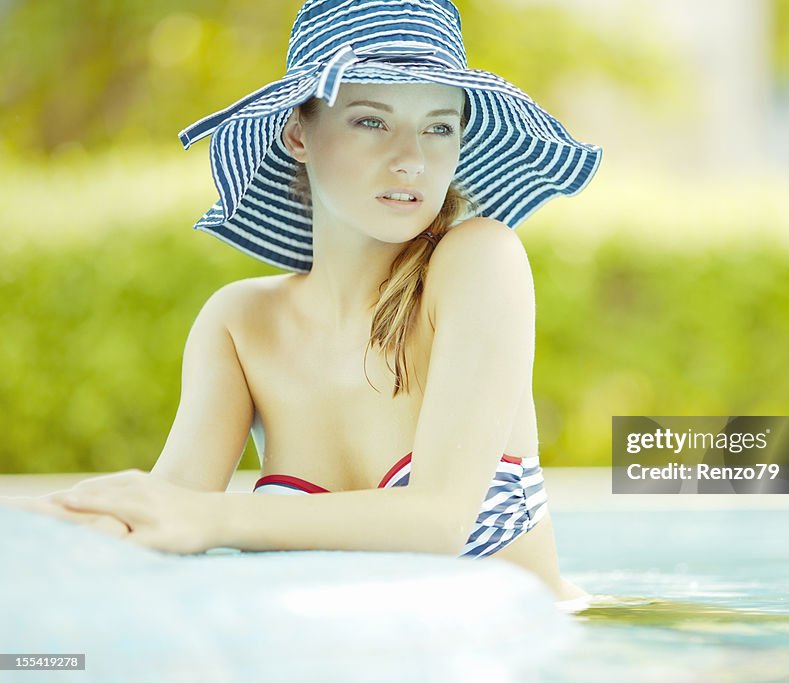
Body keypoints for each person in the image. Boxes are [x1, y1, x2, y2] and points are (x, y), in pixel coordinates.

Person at [5, 0, 601, 607]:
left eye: (439, 127)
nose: (412, 159)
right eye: (372, 121)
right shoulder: (241, 325)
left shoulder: (479, 260)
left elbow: (439, 522)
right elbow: (161, 517)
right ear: (298, 132)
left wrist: (214, 519)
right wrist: (37, 524)